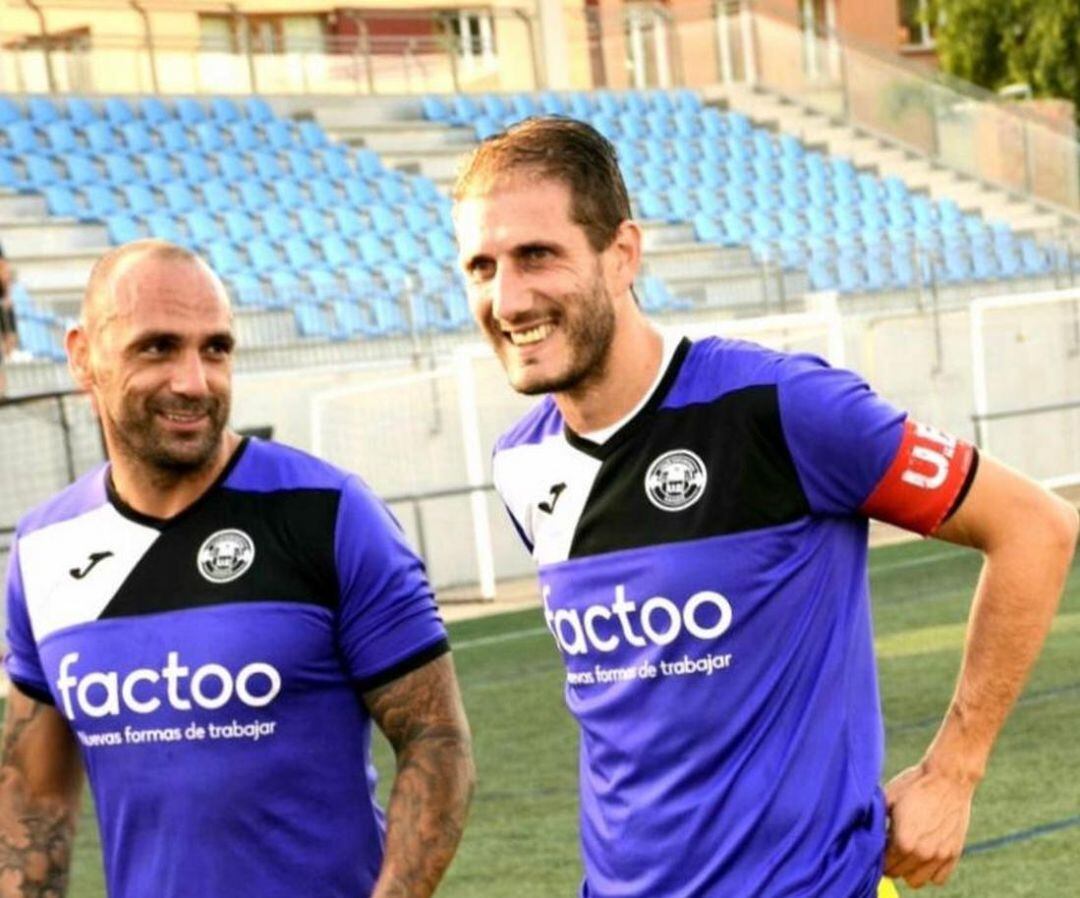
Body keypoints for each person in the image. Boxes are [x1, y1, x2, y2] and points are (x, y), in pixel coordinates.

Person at [451, 117, 1078, 897]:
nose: (507, 298)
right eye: (481, 266)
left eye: (536, 255)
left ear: (622, 255)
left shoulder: (778, 408)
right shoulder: (522, 461)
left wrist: (955, 770)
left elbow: (1035, 527)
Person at [1, 240, 475, 898]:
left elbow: (438, 742)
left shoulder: (328, 514)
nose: (194, 381)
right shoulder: (43, 549)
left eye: (215, 348)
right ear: (82, 356)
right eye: (158, 347)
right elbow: (34, 805)